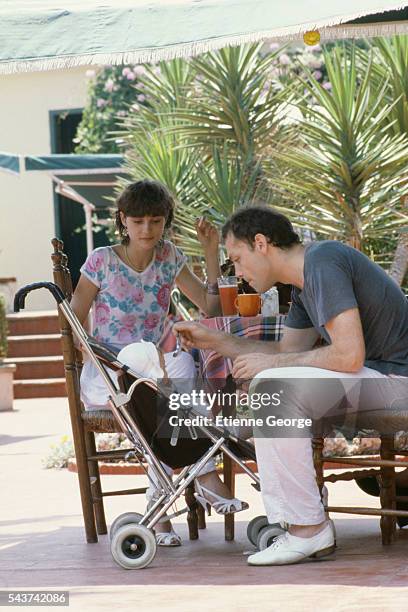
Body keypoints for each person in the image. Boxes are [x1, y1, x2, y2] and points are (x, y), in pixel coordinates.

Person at [173, 205, 408, 565]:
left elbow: (348, 355)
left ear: (261, 243)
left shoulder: (324, 262)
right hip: (379, 381)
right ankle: (300, 523)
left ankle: (307, 529)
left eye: (237, 259)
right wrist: (215, 341)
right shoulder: (302, 288)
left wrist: (273, 366)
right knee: (273, 382)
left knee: (273, 387)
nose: (237, 272)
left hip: (397, 383)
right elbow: (285, 352)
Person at [70, 179, 247, 547]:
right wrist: (100, 357)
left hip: (156, 376)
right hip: (109, 376)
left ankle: (160, 510)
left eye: (155, 220)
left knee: (178, 375)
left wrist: (211, 252)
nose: (147, 229)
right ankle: (205, 477)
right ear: (123, 220)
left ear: (165, 220)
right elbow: (73, 322)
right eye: (138, 221)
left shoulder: (169, 257)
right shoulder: (101, 260)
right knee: (157, 373)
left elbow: (210, 308)